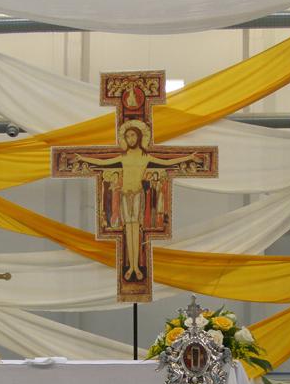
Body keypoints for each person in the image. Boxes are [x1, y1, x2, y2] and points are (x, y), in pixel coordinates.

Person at [73, 120, 201, 281]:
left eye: (133, 135)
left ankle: (136, 266)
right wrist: (83, 158)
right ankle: (132, 266)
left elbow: (167, 162)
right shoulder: (123, 157)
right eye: (127, 136)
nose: (130, 139)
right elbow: (102, 162)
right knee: (128, 231)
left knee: (136, 231)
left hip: (138, 195)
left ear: (140, 137)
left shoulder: (146, 157)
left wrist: (188, 157)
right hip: (125, 196)